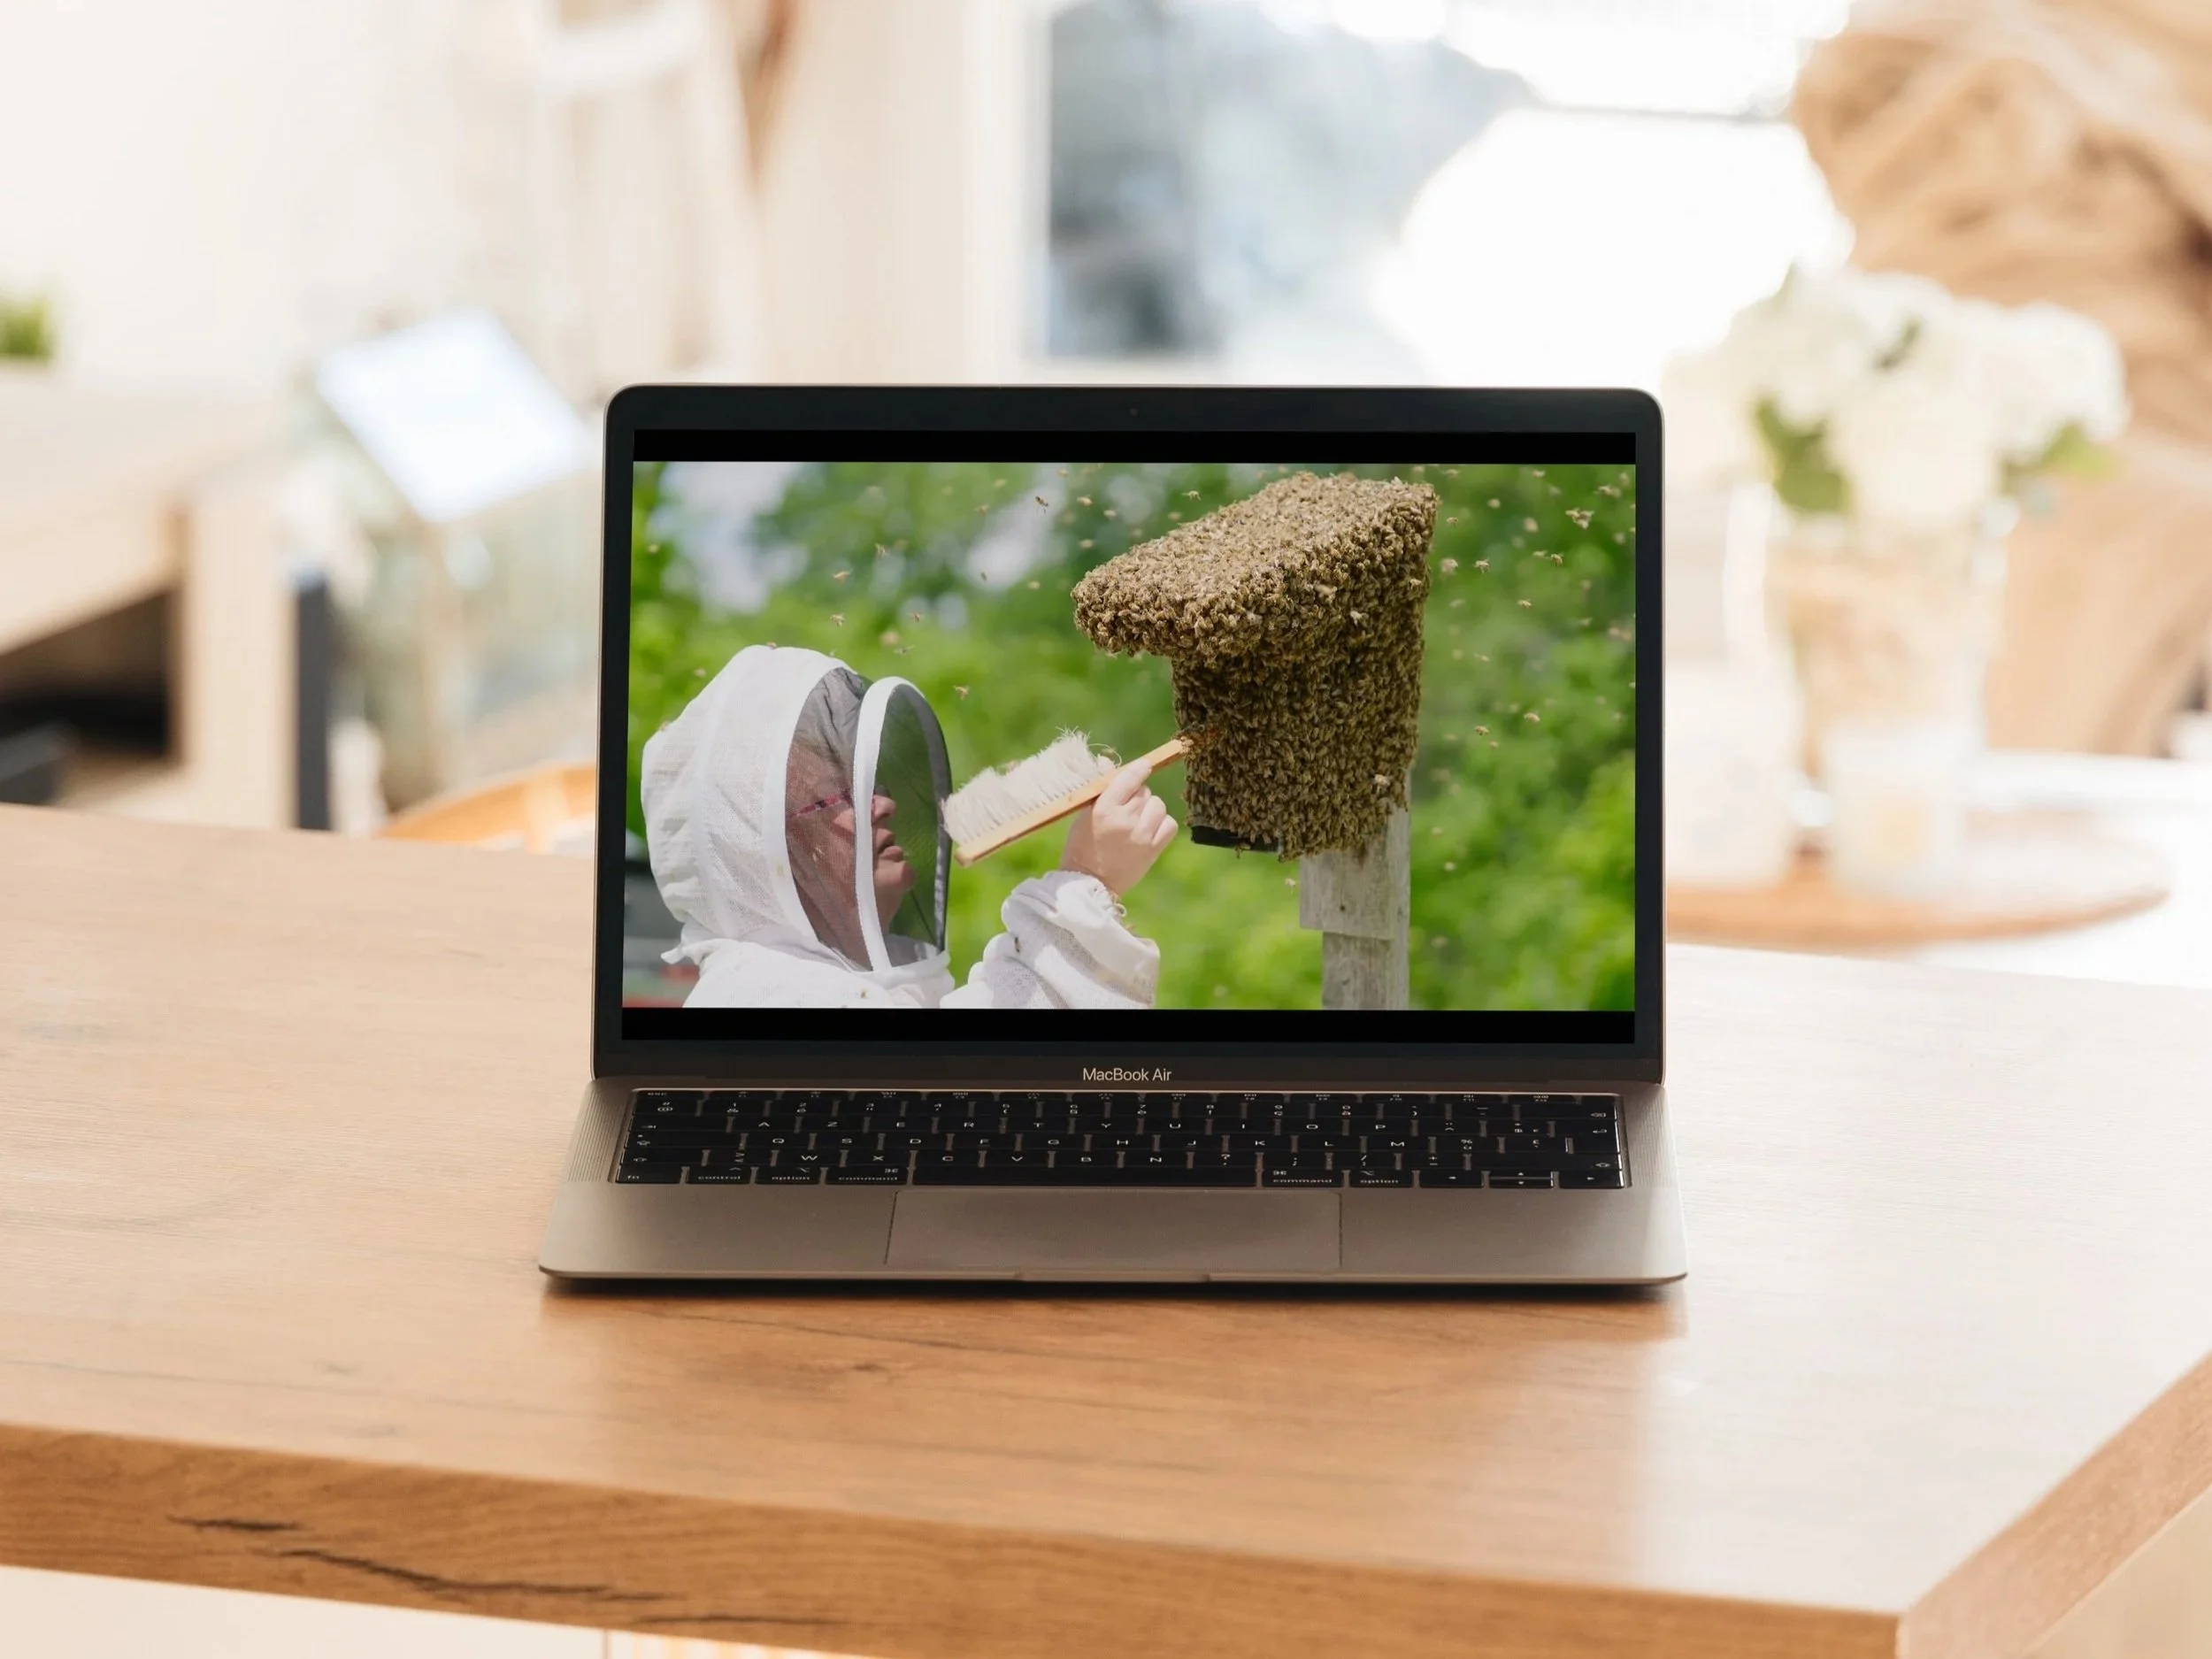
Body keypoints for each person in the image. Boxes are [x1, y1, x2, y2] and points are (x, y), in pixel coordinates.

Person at [641, 645, 1178, 1008]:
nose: (882, 804)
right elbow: (972, 1095)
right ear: (764, 856)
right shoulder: (762, 1001)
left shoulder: (860, 986)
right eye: (832, 798)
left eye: (866, 783)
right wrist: (1087, 881)